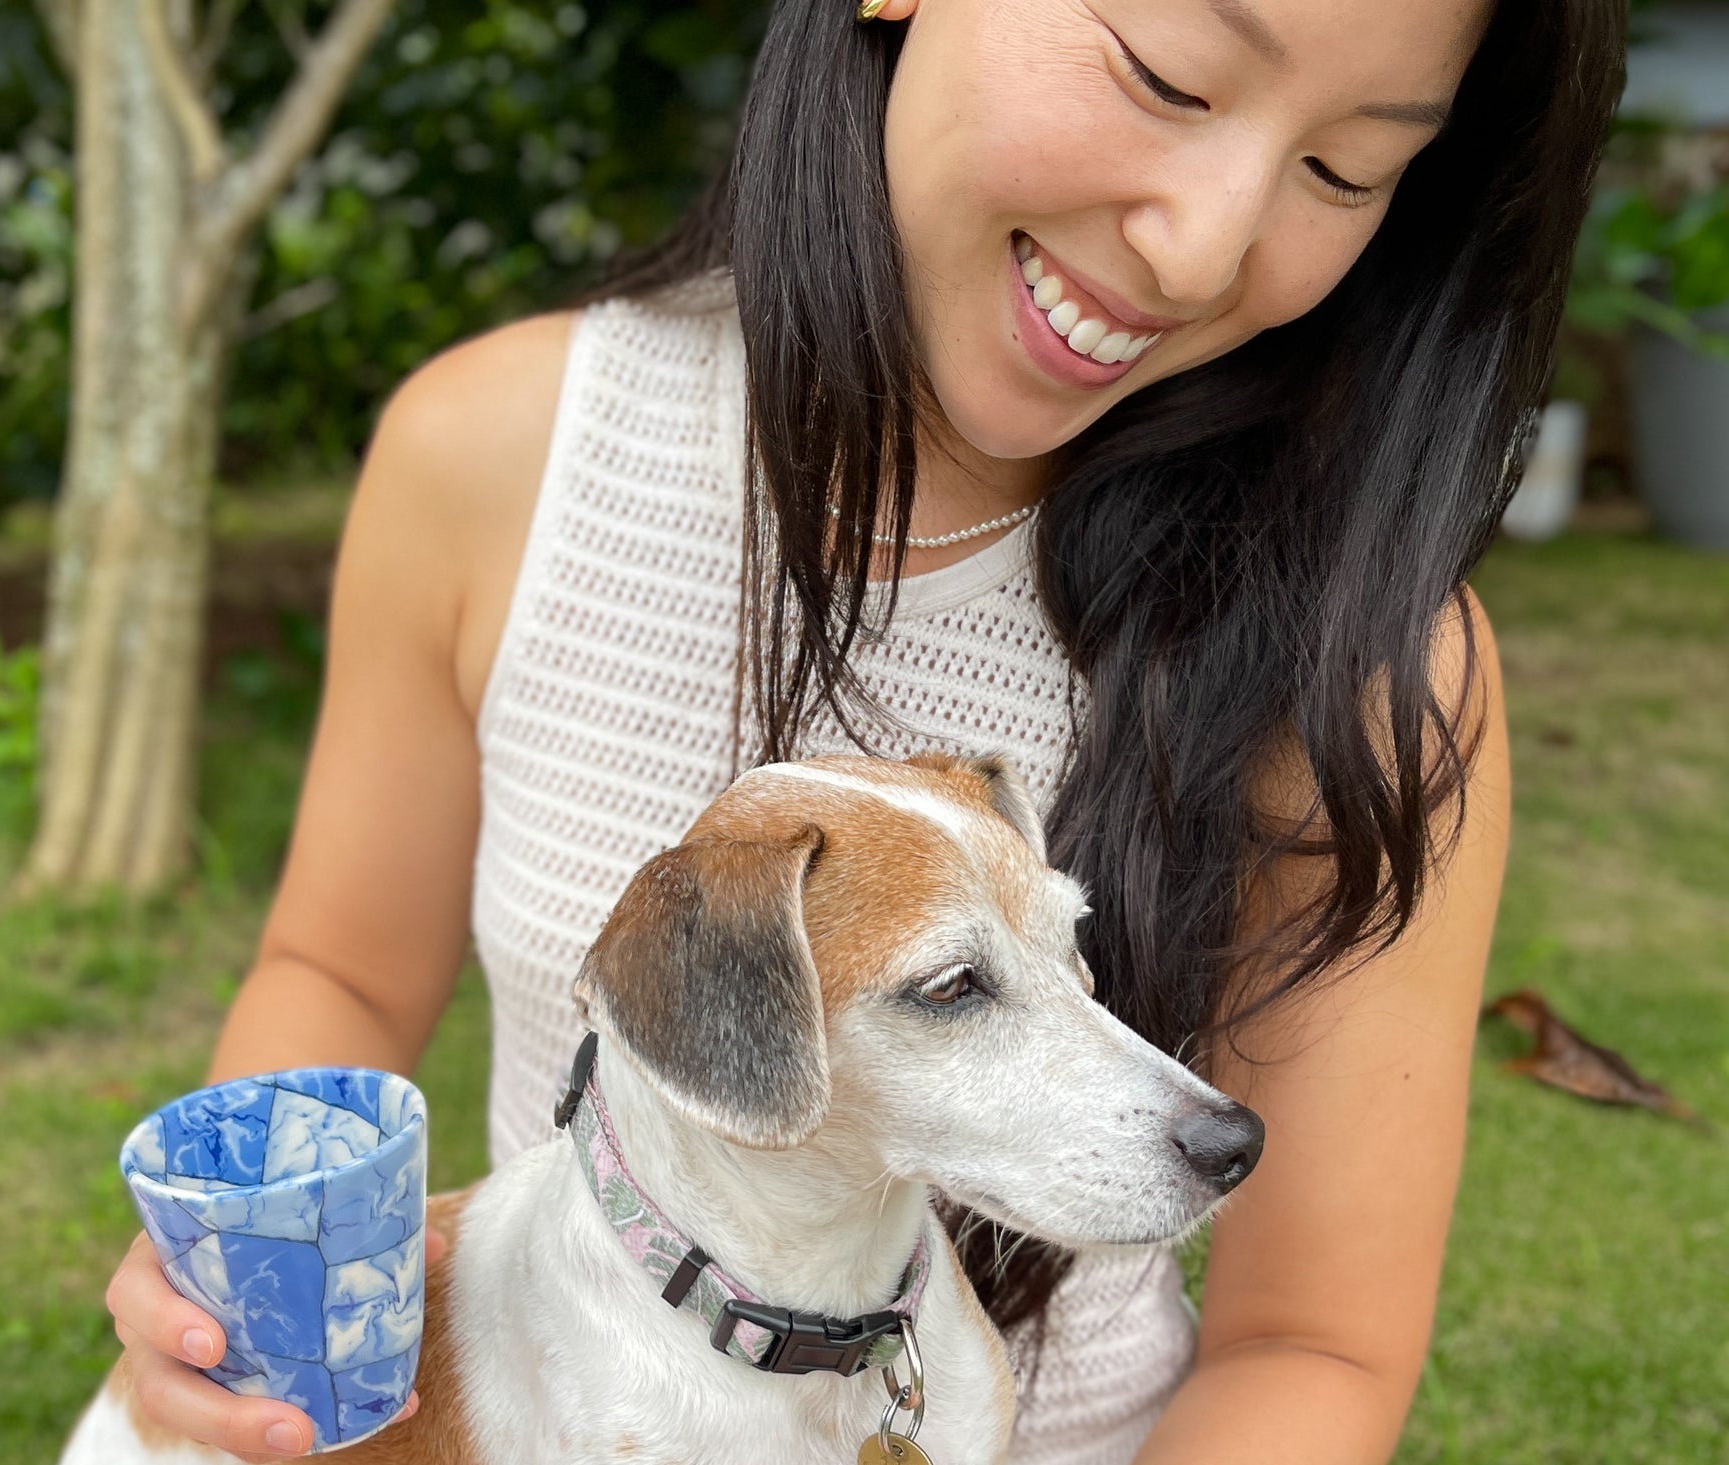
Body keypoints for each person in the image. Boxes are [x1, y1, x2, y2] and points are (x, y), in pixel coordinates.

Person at [102, 0, 1627, 1460]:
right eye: (1169, 74)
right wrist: (243, 1272)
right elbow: (341, 971)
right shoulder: (490, 459)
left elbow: (1314, 1343)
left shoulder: (1358, 663)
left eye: (1342, 167)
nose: (1206, 240)